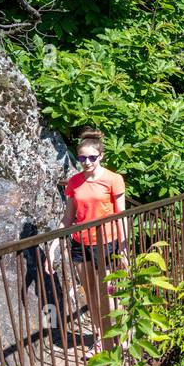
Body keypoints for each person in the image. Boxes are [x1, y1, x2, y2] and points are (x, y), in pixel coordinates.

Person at [61, 129, 127, 334]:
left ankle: (122, 332)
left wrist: (123, 248)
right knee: (90, 293)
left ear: (101, 156)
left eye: (91, 157)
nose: (87, 162)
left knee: (107, 293)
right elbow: (68, 216)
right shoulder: (74, 182)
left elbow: (120, 215)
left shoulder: (113, 179)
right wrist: (54, 245)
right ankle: (100, 336)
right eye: (82, 158)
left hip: (106, 243)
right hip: (81, 243)